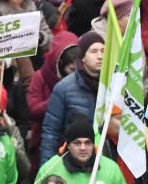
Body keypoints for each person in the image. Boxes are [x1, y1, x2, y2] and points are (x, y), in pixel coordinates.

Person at [41, 35, 104, 164]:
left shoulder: (115, 86)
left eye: (103, 51)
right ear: (82, 57)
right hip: (74, 162)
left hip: (107, 160)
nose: (100, 56)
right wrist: (46, 170)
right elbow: (51, 133)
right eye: (94, 51)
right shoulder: (63, 89)